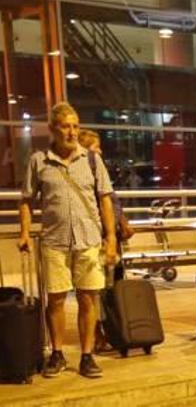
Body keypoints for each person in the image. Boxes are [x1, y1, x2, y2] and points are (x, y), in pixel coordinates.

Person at [18, 102, 117, 378]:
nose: (72, 132)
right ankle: (58, 354)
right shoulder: (39, 161)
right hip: (55, 241)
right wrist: (25, 232)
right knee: (57, 300)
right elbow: (26, 200)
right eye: (65, 126)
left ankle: (86, 356)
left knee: (88, 299)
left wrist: (110, 237)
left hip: (88, 240)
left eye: (75, 126)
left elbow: (105, 200)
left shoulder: (92, 160)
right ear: (52, 129)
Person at [78, 129, 136, 282]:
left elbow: (112, 200)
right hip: (100, 234)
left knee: (116, 274)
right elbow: (105, 201)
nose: (100, 151)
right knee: (101, 278)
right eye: (95, 147)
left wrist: (122, 222)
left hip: (111, 233)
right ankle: (107, 303)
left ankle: (115, 303)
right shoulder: (86, 173)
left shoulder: (98, 170)